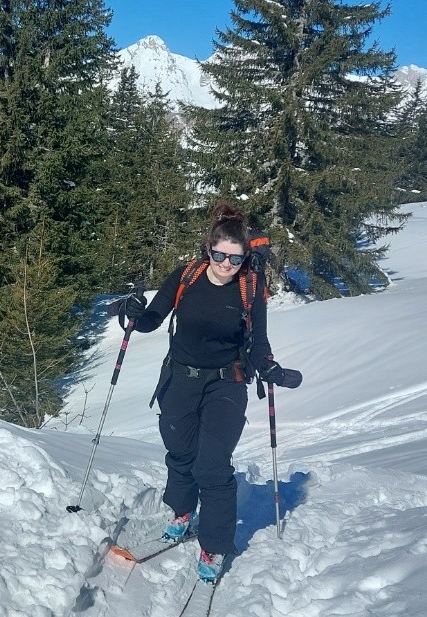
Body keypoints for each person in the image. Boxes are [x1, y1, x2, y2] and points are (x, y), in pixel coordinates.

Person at [115, 203, 301, 583]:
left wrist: (269, 369)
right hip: (179, 379)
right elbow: (151, 319)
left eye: (235, 257)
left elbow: (258, 341)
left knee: (212, 465)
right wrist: (133, 313)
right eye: (220, 255)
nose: (227, 264)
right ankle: (182, 512)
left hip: (227, 383)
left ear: (245, 256)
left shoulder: (251, 288)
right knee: (181, 452)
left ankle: (214, 545)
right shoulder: (186, 276)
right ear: (208, 249)